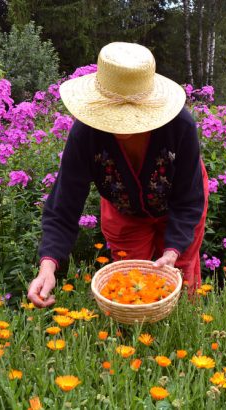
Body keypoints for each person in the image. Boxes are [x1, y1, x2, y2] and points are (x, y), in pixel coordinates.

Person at [28, 42, 209, 308]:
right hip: (124, 213)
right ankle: (133, 343)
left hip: (180, 208)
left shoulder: (180, 126)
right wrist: (47, 267)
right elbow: (63, 206)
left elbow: (188, 200)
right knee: (129, 288)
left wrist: (172, 252)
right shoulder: (85, 134)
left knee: (177, 281)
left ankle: (182, 339)